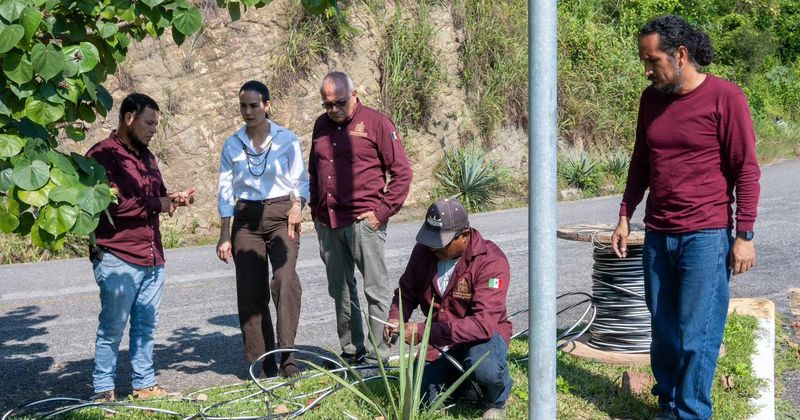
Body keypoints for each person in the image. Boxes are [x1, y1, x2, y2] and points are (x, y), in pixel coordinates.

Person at [610, 15, 760, 420]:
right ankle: (668, 405)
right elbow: (641, 162)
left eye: (652, 60)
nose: (647, 70)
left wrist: (743, 233)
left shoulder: (725, 97)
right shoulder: (651, 99)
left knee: (698, 335)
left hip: (706, 236)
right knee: (664, 334)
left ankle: (691, 413)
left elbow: (746, 169)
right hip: (659, 234)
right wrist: (626, 214)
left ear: (680, 55)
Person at [87, 93, 195, 402]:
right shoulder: (101, 156)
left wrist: (174, 198)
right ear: (129, 117)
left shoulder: (148, 157)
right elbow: (112, 205)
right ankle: (103, 390)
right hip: (118, 256)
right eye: (149, 123)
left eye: (156, 125)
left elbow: (157, 196)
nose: (152, 130)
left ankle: (144, 384)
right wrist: (157, 203)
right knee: (112, 327)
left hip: (152, 255)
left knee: (146, 326)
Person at [308, 71, 412, 364]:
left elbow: (402, 173)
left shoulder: (377, 123)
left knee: (375, 290)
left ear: (354, 95)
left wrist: (381, 213)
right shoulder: (321, 126)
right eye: (326, 104)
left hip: (363, 222)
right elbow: (313, 169)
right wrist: (316, 210)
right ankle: (352, 352)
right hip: (328, 223)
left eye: (339, 102)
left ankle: (379, 356)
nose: (333, 110)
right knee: (340, 291)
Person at [383, 198, 513, 420]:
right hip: (442, 340)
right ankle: (466, 386)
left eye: (440, 242)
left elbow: (482, 325)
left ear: (463, 235)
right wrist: (396, 317)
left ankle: (496, 398)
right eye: (430, 239)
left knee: (485, 367)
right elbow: (406, 291)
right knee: (419, 393)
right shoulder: (425, 251)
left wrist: (423, 331)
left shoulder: (491, 261)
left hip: (481, 338)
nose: (433, 247)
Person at [216, 80, 309, 378]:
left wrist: (298, 206)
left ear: (267, 105)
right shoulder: (232, 144)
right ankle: (261, 360)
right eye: (243, 106)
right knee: (251, 289)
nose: (248, 111)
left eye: (254, 105)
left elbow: (300, 180)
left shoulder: (287, 139)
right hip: (246, 219)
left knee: (284, 279)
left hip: (283, 214)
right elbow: (225, 191)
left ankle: (288, 355)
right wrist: (224, 234)